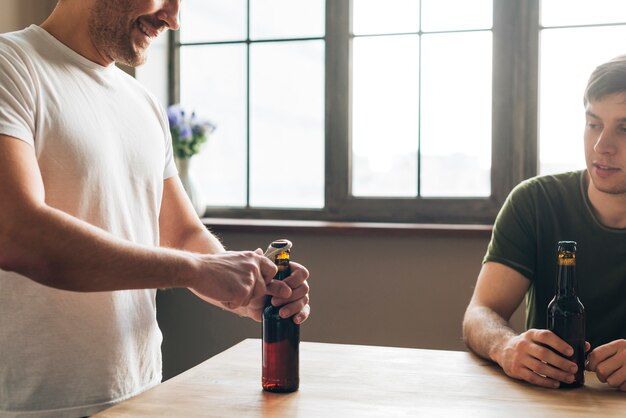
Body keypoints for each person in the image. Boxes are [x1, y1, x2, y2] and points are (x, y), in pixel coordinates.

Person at [0, 0, 310, 416]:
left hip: (142, 397)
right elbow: (16, 231)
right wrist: (196, 270)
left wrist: (244, 287)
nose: (174, 18)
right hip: (32, 406)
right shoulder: (12, 67)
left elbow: (181, 233)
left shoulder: (142, 104)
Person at [463, 55, 626, 391]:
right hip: (549, 402)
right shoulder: (534, 202)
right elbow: (480, 312)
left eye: (625, 129)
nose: (601, 146)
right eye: (593, 124)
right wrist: (505, 346)